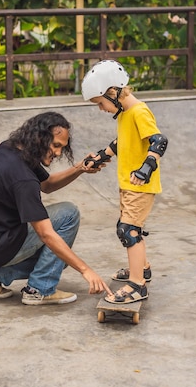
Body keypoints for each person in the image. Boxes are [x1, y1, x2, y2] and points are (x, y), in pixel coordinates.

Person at [0, 111, 112, 305]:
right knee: (68, 215)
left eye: (62, 147)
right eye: (56, 145)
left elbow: (48, 184)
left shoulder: (12, 149)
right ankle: (40, 289)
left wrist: (79, 168)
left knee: (58, 260)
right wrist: (86, 270)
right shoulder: (22, 178)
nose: (59, 153)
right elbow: (46, 235)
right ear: (39, 138)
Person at [81, 60, 168, 304]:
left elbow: (158, 141)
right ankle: (143, 268)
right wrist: (100, 156)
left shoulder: (139, 111)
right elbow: (121, 142)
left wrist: (146, 168)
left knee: (129, 231)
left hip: (139, 185)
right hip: (128, 185)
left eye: (100, 103)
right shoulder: (125, 113)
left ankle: (138, 285)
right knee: (127, 226)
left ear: (113, 92)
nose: (101, 109)